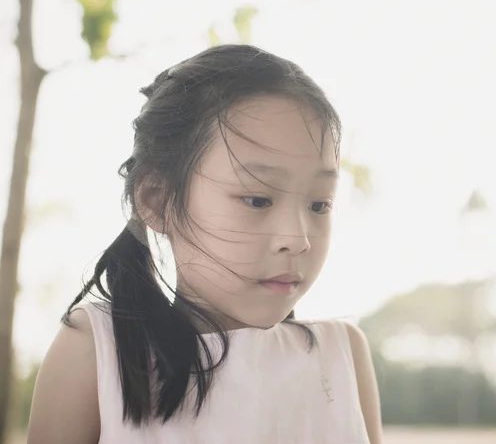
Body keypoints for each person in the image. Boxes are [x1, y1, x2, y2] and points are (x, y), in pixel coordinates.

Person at [27, 44, 382, 444]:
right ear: (156, 200)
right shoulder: (98, 351)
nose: (297, 240)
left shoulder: (342, 355)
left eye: (320, 204)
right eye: (257, 200)